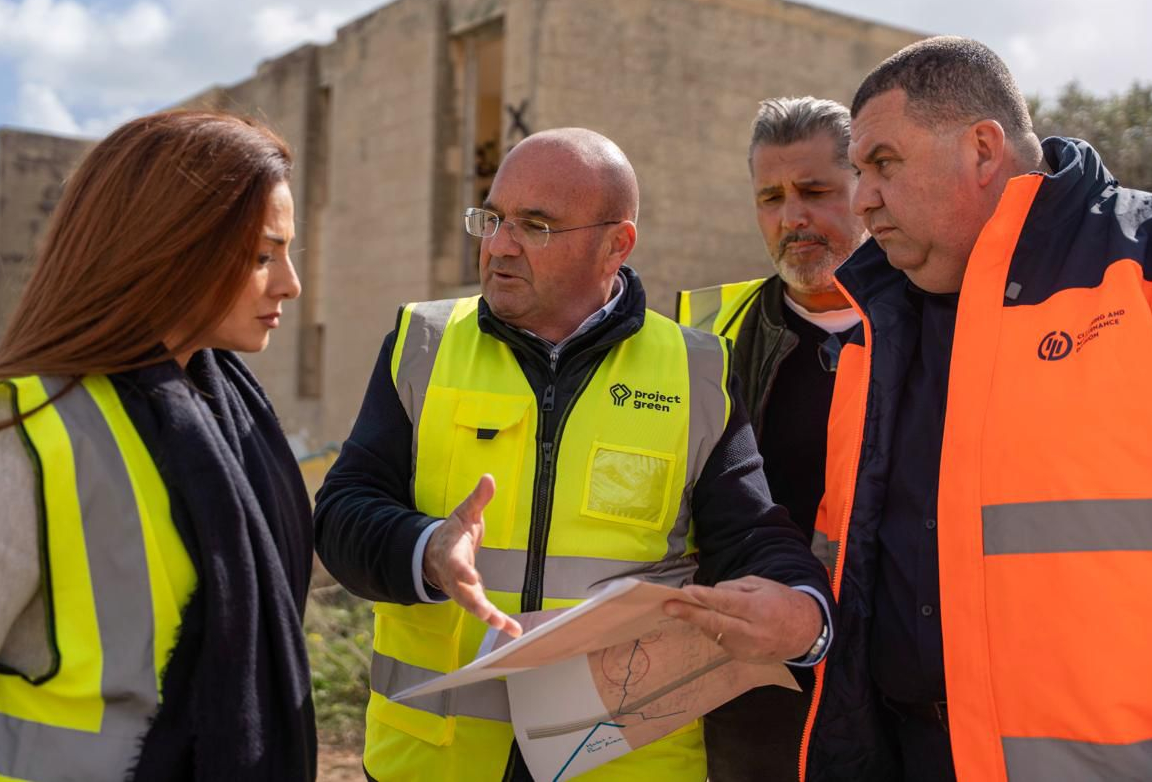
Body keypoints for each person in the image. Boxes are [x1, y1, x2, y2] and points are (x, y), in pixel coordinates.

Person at [314, 127, 834, 781]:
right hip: (435, 762)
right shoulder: (423, 342)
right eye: (493, 218)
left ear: (616, 243)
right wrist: (425, 549)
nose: (499, 244)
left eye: (534, 225)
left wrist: (802, 607)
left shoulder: (695, 370)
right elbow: (340, 515)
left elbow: (753, 535)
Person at [801, 36, 1152, 782]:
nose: (860, 198)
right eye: (856, 172)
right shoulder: (869, 329)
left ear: (982, 149)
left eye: (884, 164)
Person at [0, 111, 317, 781]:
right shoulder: (17, 436)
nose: (290, 283)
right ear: (171, 248)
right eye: (264, 255)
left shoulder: (230, 420)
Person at [678, 97, 865, 782]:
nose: (793, 218)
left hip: (906, 675)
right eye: (771, 197)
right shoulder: (708, 341)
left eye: (816, 191)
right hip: (754, 695)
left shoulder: (935, 324)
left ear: (866, 187)